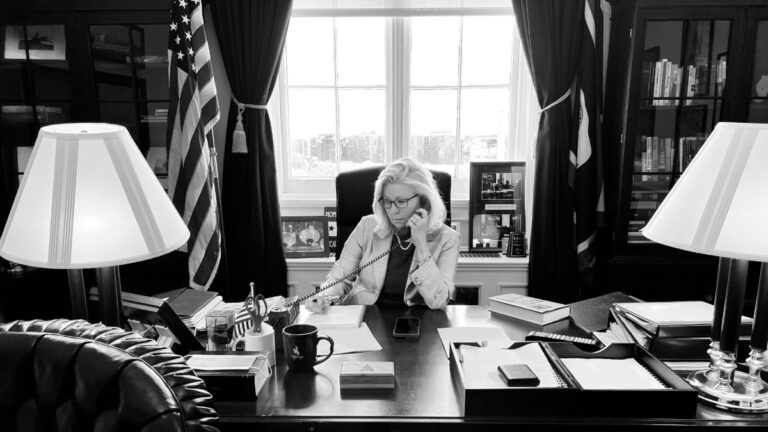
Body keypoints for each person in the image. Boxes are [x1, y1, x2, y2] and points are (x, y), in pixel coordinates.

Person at [306, 157, 461, 312]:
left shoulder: (448, 239)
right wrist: (324, 296)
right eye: (387, 201)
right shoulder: (367, 226)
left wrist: (421, 245)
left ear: (424, 201)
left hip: (416, 324)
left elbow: (439, 301)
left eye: (401, 202)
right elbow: (339, 280)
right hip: (365, 319)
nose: (392, 210)